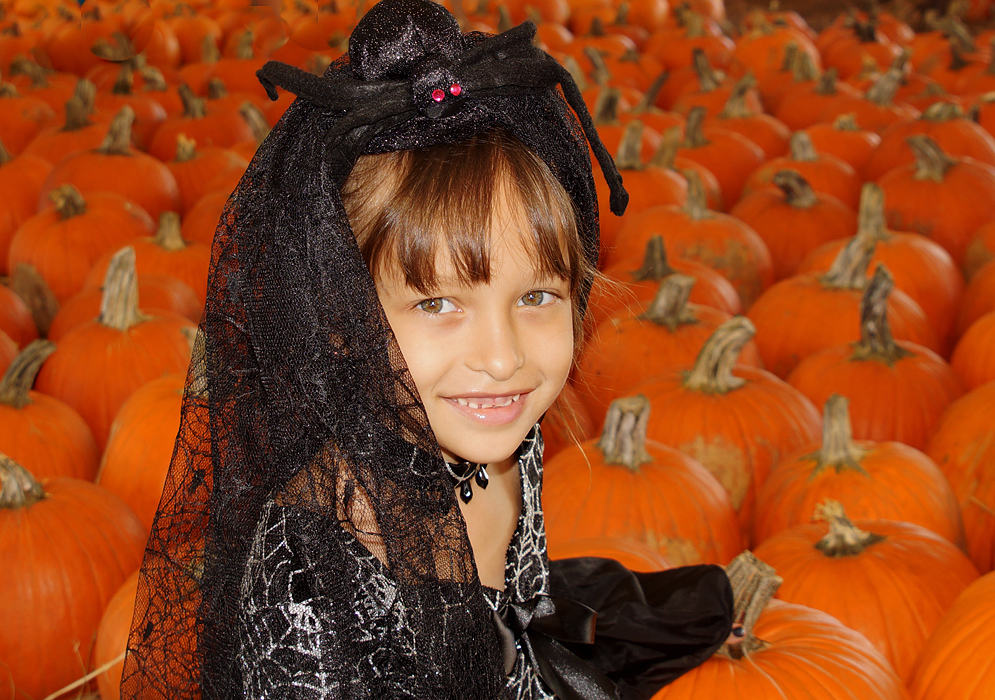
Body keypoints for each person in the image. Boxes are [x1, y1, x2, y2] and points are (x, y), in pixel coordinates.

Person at [118, 1, 734, 698]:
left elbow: (521, 621)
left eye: (536, 298)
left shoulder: (497, 430)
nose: (503, 358)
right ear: (337, 317)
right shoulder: (308, 577)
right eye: (437, 303)